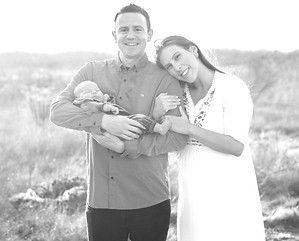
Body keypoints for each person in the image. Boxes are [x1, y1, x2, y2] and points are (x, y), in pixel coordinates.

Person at [50, 4, 187, 241]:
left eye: (137, 29)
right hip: (103, 202)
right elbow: (57, 111)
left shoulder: (165, 79)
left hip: (150, 200)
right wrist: (104, 121)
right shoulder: (91, 71)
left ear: (149, 34)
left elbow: (177, 137)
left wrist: (128, 147)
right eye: (123, 30)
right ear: (114, 35)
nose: (130, 35)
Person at [154, 36, 265, 241]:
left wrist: (189, 128)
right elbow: (166, 141)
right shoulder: (177, 94)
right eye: (169, 66)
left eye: (178, 57)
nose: (177, 67)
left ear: (194, 50)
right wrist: (156, 112)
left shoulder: (231, 87)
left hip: (229, 193)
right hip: (192, 195)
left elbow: (236, 145)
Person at [73, 80, 172, 153]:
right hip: (122, 122)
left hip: (120, 125)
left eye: (96, 90)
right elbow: (96, 106)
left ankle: (120, 146)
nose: (94, 92)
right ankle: (160, 128)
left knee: (136, 128)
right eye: (88, 91)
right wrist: (105, 106)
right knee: (141, 118)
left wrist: (106, 98)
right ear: (80, 98)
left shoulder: (99, 101)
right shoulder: (87, 103)